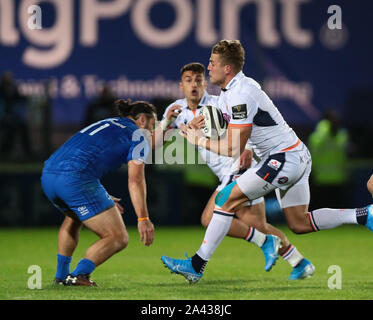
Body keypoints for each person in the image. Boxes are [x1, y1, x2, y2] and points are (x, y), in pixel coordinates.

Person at [161, 39, 373, 283]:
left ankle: (196, 265)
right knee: (299, 223)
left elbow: (232, 146)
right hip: (295, 155)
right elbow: (232, 129)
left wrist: (200, 141)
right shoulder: (229, 93)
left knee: (224, 200)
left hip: (283, 158)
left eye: (212, 63)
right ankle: (363, 214)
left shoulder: (240, 93)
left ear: (227, 68)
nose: (209, 68)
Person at [159, 62, 313, 281]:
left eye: (198, 79)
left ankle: (197, 265)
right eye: (188, 80)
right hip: (225, 173)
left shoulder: (218, 103)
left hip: (237, 166)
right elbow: (156, 144)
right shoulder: (175, 111)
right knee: (258, 225)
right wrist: (166, 124)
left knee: (209, 217)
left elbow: (244, 127)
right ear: (180, 85)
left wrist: (248, 148)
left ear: (205, 83)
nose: (194, 84)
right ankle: (299, 262)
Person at [41, 99, 156, 286]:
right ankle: (79, 276)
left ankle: (61, 276)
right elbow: (135, 179)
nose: (151, 132)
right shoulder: (138, 134)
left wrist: (100, 195)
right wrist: (143, 218)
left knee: (73, 218)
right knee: (118, 237)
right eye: (152, 125)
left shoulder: (107, 122)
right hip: (75, 179)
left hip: (49, 174)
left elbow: (85, 154)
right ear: (142, 119)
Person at [308, 109, 350, 209]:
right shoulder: (318, 137)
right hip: (323, 180)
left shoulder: (342, 135)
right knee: (325, 209)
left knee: (332, 210)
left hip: (333, 179)